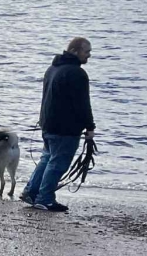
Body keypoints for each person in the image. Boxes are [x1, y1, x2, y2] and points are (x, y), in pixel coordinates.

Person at [20, 37, 95, 212]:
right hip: (65, 128)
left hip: (48, 123)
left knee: (47, 158)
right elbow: (83, 103)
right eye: (87, 52)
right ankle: (45, 198)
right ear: (76, 51)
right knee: (57, 162)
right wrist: (90, 127)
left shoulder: (52, 69)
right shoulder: (77, 74)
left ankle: (31, 191)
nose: (89, 56)